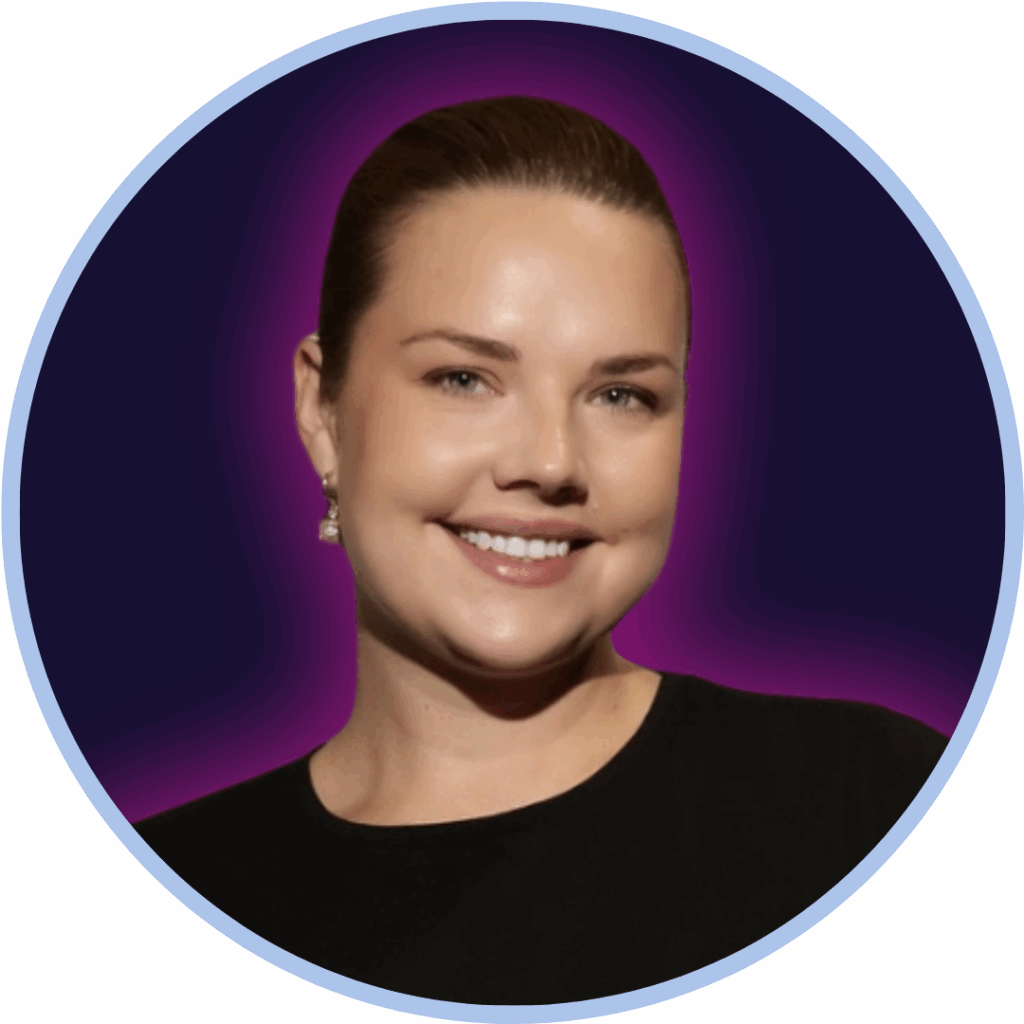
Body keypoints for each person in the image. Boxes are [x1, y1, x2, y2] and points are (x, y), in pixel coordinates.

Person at [135, 97, 947, 1004]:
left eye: (622, 395)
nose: (551, 462)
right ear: (323, 412)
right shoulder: (146, 899)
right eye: (464, 378)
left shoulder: (877, 807)